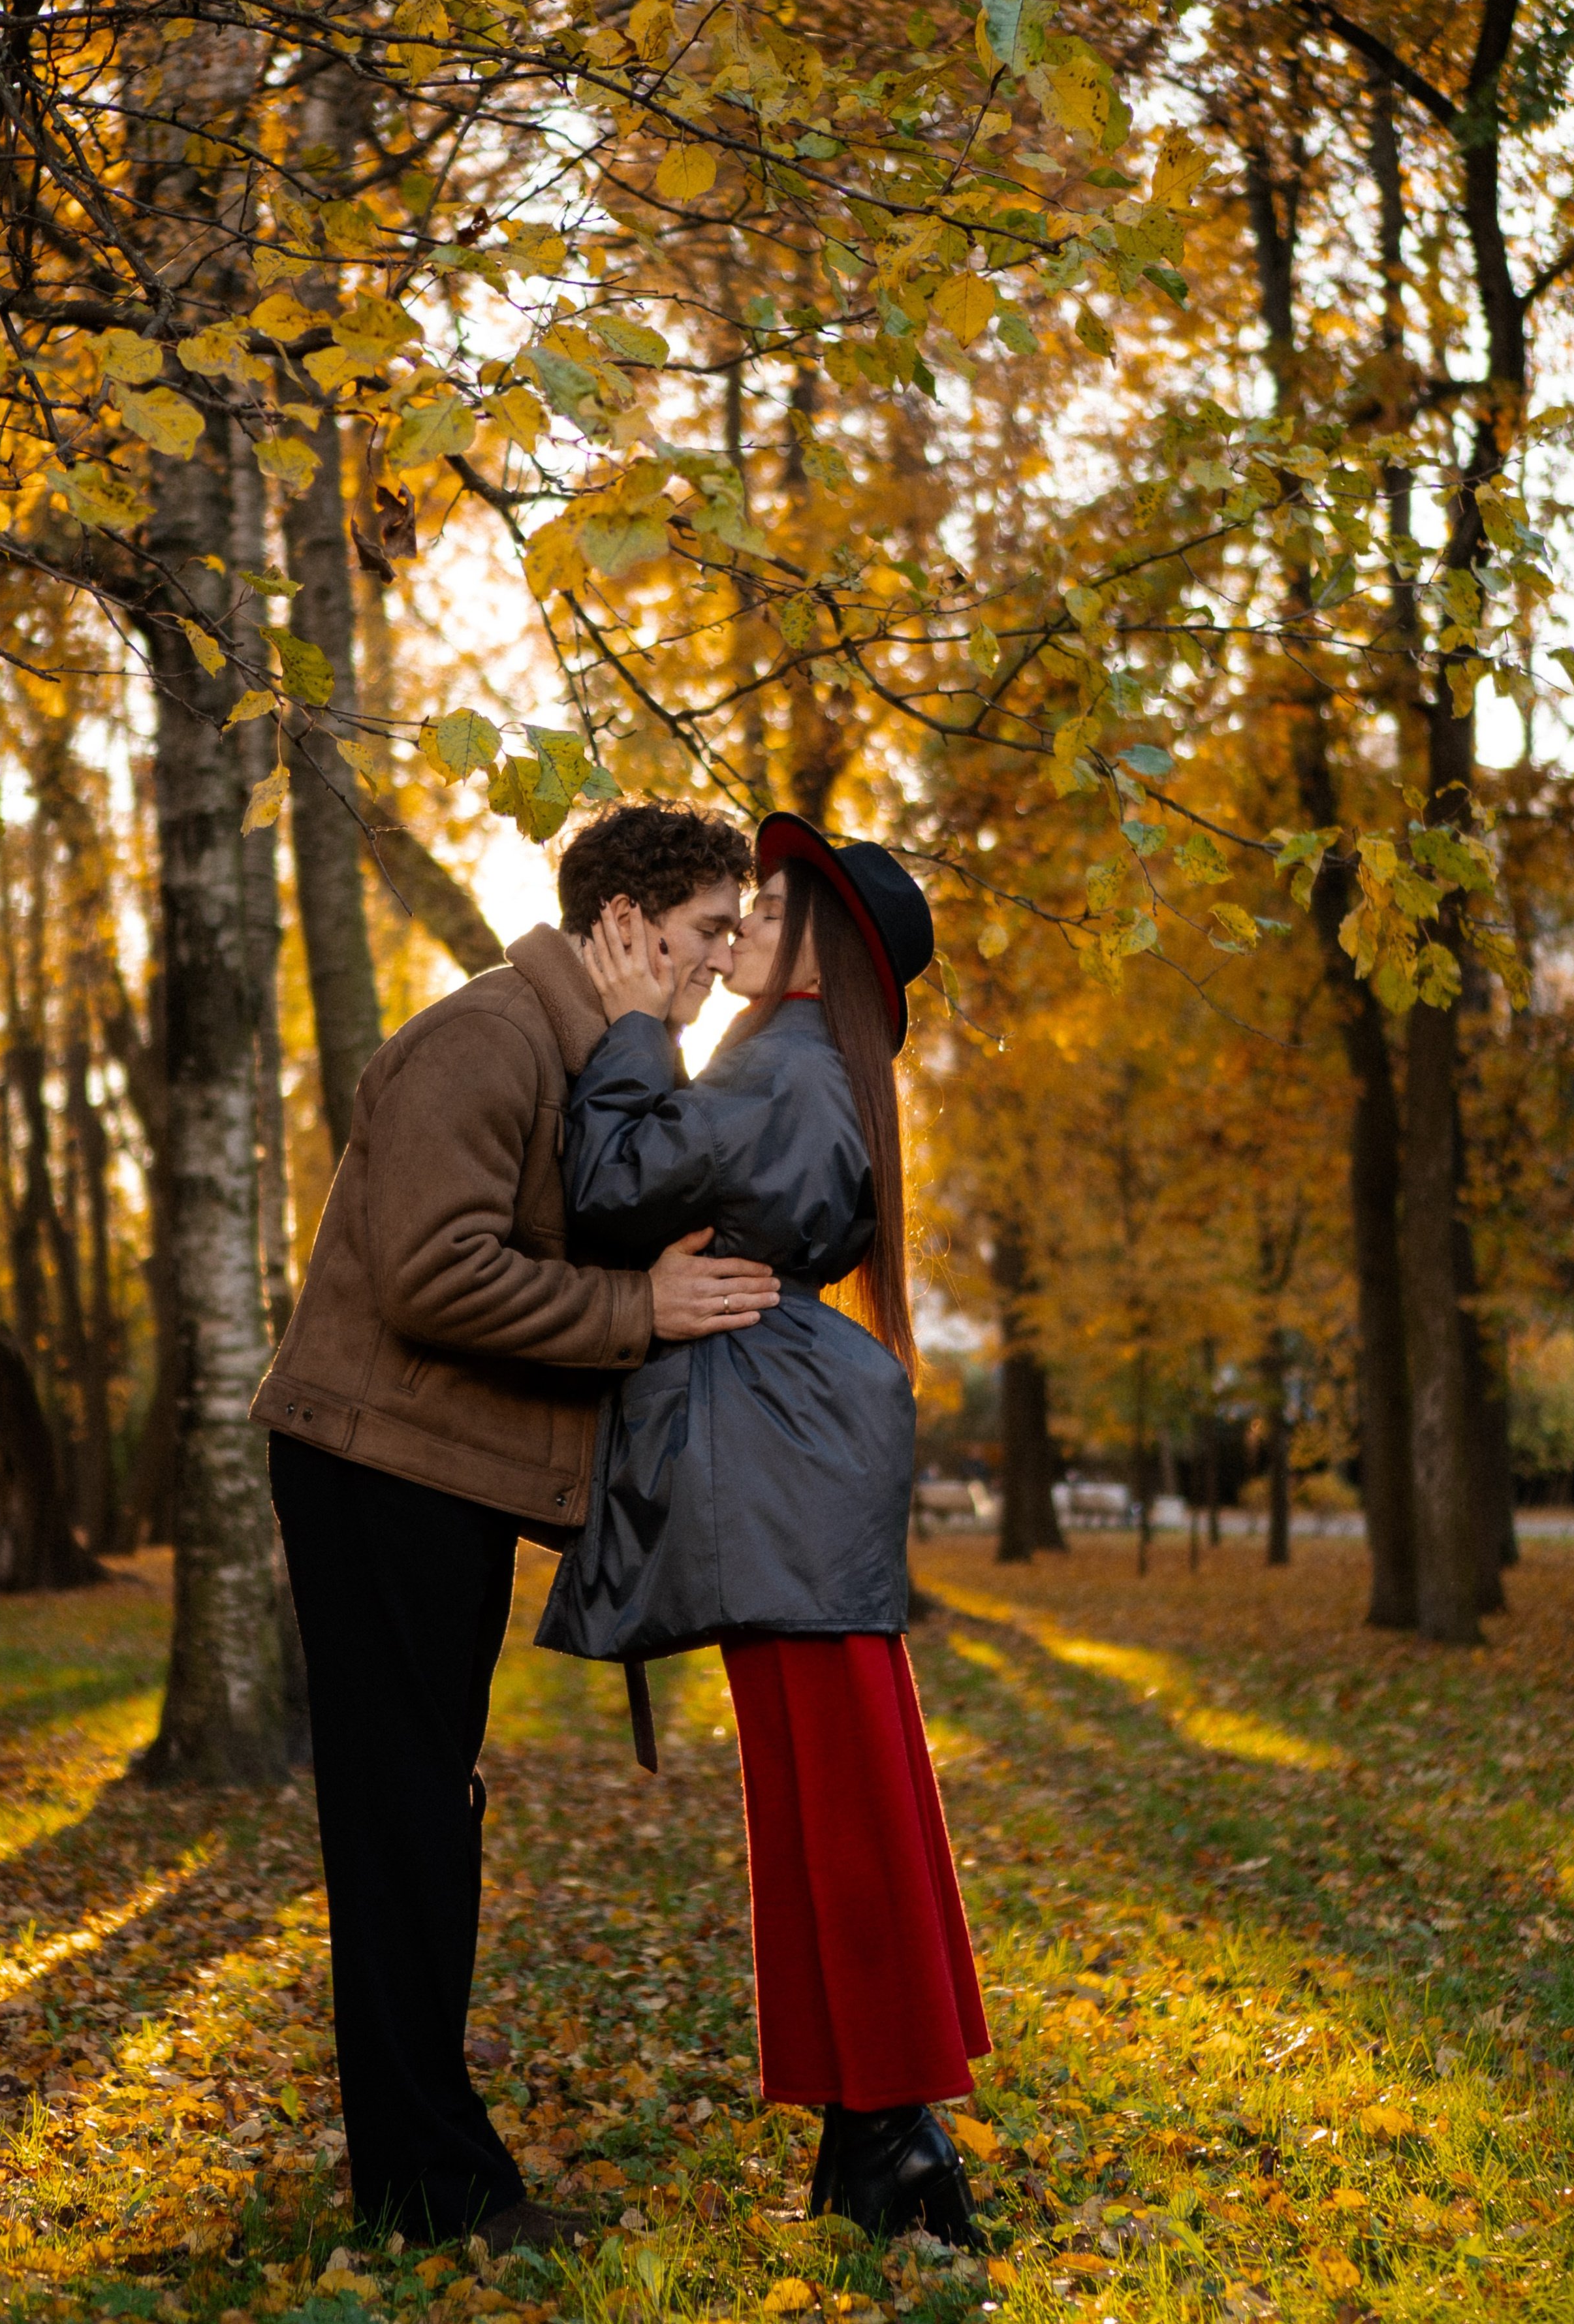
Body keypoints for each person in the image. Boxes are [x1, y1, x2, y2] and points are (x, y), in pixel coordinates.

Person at [251, 803, 781, 2250]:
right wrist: (637, 1311)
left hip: (437, 1473)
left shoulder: (579, 1056)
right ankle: (429, 2192)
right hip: (375, 1468)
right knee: (403, 1820)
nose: (723, 965)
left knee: (425, 1812)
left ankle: (424, 2171)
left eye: (739, 934)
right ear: (623, 921)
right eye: (710, 930)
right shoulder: (483, 1040)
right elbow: (434, 1277)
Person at [537, 813, 990, 2244]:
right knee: (819, 1798)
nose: (735, 928)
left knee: (841, 1798)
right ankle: (870, 2130)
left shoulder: (788, 1065)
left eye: (767, 908)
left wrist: (623, 1023)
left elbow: (609, 1184)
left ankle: (900, 2133)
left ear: (821, 955)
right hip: (780, 1453)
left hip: (779, 1462)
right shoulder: (786, 1061)